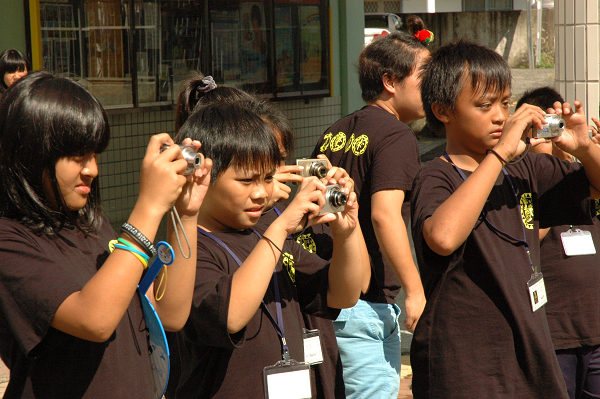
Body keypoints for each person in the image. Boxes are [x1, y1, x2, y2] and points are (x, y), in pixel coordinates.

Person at [0, 71, 211, 398]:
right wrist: (149, 206)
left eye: (95, 154)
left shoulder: (92, 224)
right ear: (30, 153)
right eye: (77, 156)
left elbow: (169, 315)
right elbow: (95, 320)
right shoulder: (9, 240)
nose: (92, 170)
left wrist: (185, 213)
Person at [410, 39, 600, 398]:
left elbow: (595, 185)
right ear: (442, 111)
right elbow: (443, 237)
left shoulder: (525, 167)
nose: (500, 116)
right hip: (464, 365)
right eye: (484, 106)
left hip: (529, 356)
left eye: (505, 103)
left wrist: (585, 148)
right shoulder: (435, 175)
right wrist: (497, 155)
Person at [169, 101, 367, 398]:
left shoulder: (262, 232)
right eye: (246, 180)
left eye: (267, 178)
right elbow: (231, 315)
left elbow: (343, 294)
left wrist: (346, 232)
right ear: (203, 175)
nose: (261, 193)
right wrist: (281, 227)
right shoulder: (188, 248)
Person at [311, 15, 431, 399]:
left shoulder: (336, 130)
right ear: (390, 82)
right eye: (424, 77)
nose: (434, 87)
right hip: (364, 302)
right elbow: (384, 214)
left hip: (329, 293)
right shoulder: (396, 135)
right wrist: (414, 290)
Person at [517, 87, 600, 399]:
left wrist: (589, 151)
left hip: (595, 329)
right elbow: (526, 239)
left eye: (544, 127)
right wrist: (540, 168)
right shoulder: (522, 180)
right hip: (553, 333)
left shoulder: (587, 175)